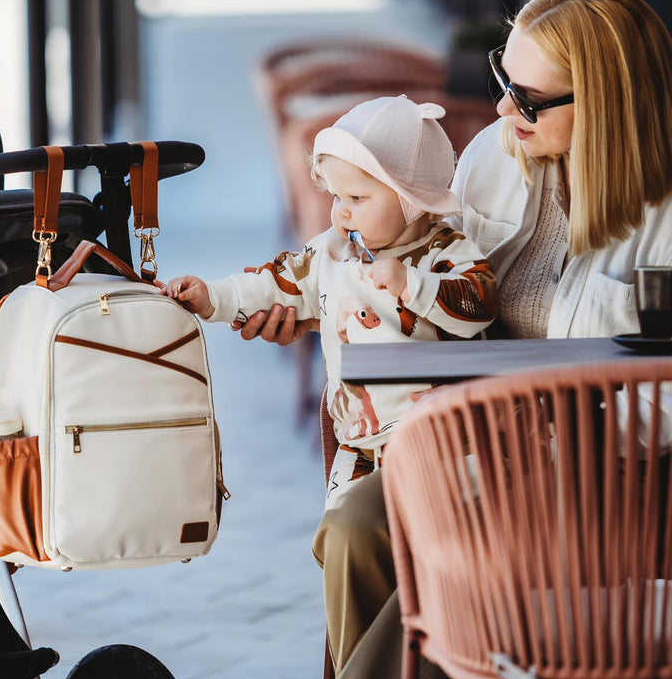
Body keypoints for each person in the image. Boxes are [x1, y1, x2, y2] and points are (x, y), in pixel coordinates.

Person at [239, 0, 672, 679]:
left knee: (447, 561)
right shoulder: (493, 153)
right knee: (357, 526)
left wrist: (528, 436)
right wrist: (315, 299)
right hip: (465, 446)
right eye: (504, 80)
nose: (506, 107)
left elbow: (656, 423)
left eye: (531, 99)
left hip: (605, 481)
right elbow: (403, 256)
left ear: (609, 104)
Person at [163, 94, 498, 512]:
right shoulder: (332, 252)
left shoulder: (446, 253)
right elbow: (274, 282)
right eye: (337, 198)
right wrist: (214, 297)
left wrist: (411, 283)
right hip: (356, 437)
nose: (341, 214)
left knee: (427, 530)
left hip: (442, 436)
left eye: (358, 199)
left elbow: (479, 303)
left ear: (412, 202)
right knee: (340, 527)